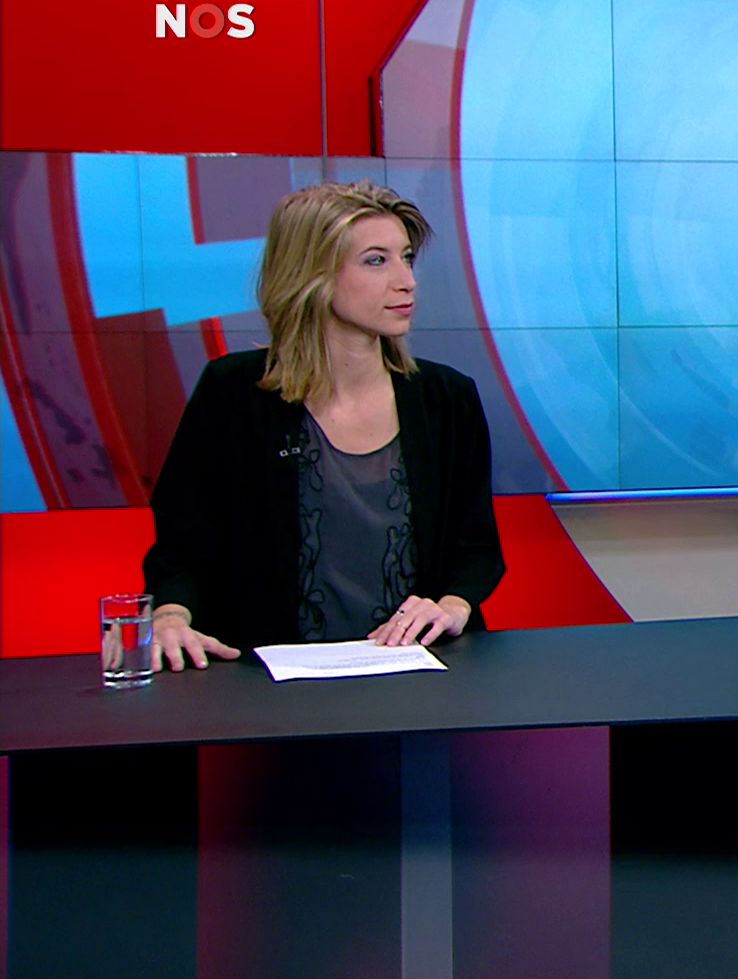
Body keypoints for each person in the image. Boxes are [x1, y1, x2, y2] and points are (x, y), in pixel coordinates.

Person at [144, 181, 506, 670]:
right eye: (376, 261)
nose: (406, 281)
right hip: (269, 683)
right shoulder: (232, 393)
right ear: (312, 273)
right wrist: (170, 615)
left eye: (406, 258)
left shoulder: (446, 397)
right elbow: (184, 541)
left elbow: (476, 548)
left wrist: (452, 605)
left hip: (419, 672)